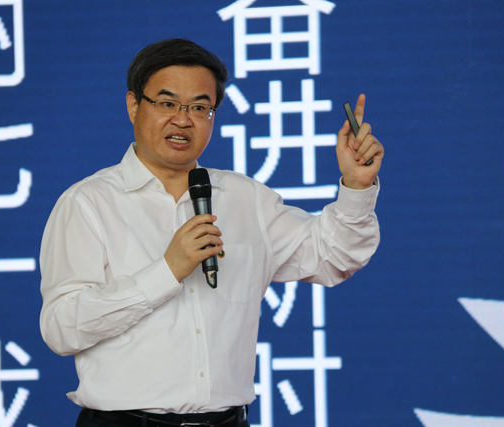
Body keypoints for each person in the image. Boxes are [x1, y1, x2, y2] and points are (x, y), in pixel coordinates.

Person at [39, 38, 384, 427]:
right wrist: (166, 271)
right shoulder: (88, 203)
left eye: (200, 107)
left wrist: (356, 186)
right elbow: (61, 329)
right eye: (167, 104)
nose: (183, 120)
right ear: (134, 105)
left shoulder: (244, 198)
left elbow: (335, 257)